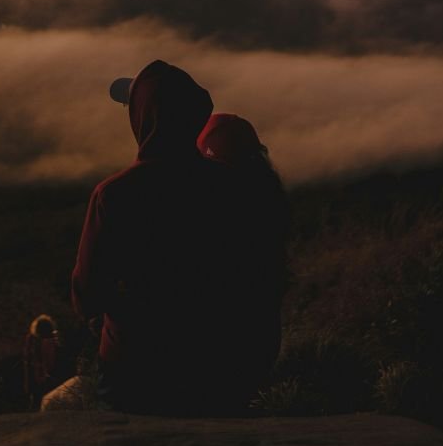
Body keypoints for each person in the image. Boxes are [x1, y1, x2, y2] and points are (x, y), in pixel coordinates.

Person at [68, 59, 286, 416]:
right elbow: (254, 272)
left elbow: (87, 292)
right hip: (215, 360)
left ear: (142, 116)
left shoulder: (113, 195)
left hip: (133, 368)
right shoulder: (231, 188)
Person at [23, 314, 58, 410]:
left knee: (37, 400)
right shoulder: (48, 341)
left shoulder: (33, 340)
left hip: (38, 375)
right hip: (41, 375)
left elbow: (28, 361)